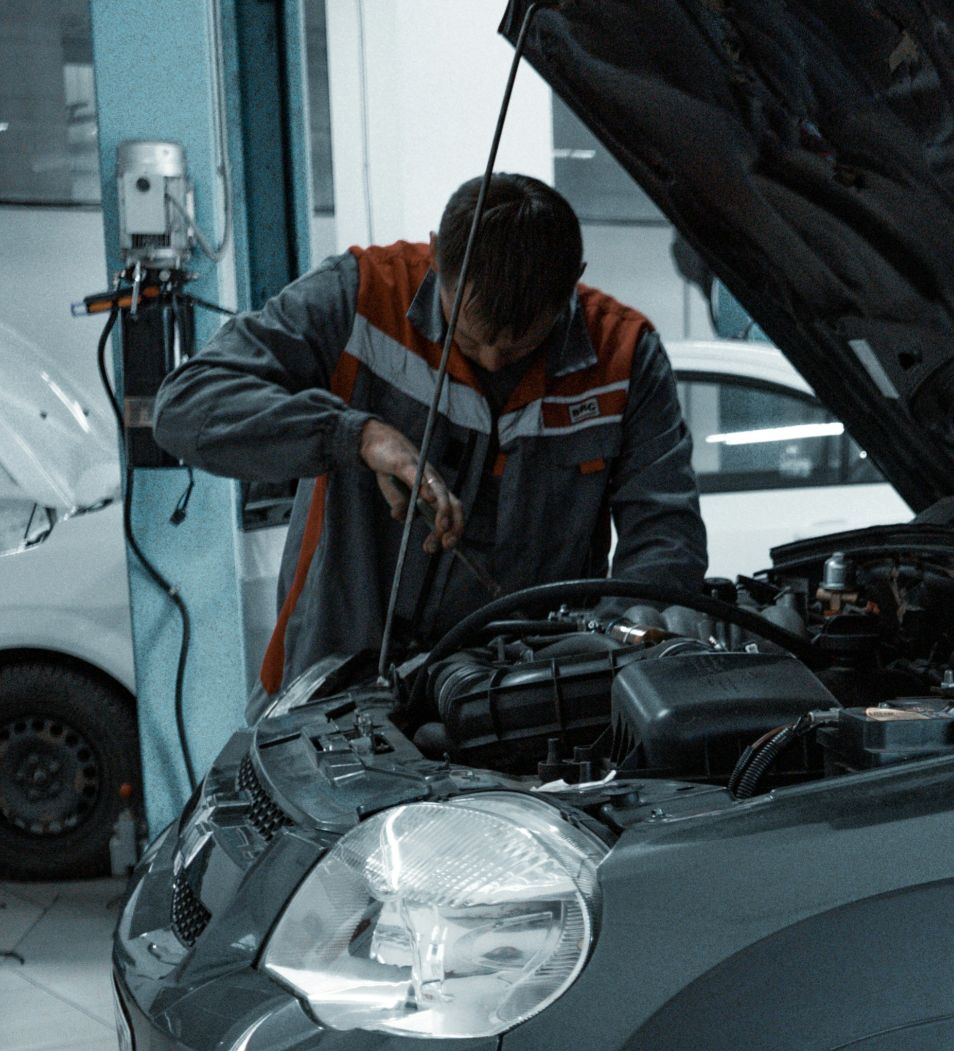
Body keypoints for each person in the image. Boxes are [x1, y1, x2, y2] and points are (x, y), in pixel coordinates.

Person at [154, 173, 707, 696]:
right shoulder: (363, 297)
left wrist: (625, 633)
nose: (492, 360)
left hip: (527, 701)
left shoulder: (624, 357)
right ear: (438, 253)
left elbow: (663, 532)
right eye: (472, 336)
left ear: (574, 278)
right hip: (331, 689)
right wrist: (357, 435)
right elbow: (186, 404)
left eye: (518, 346)